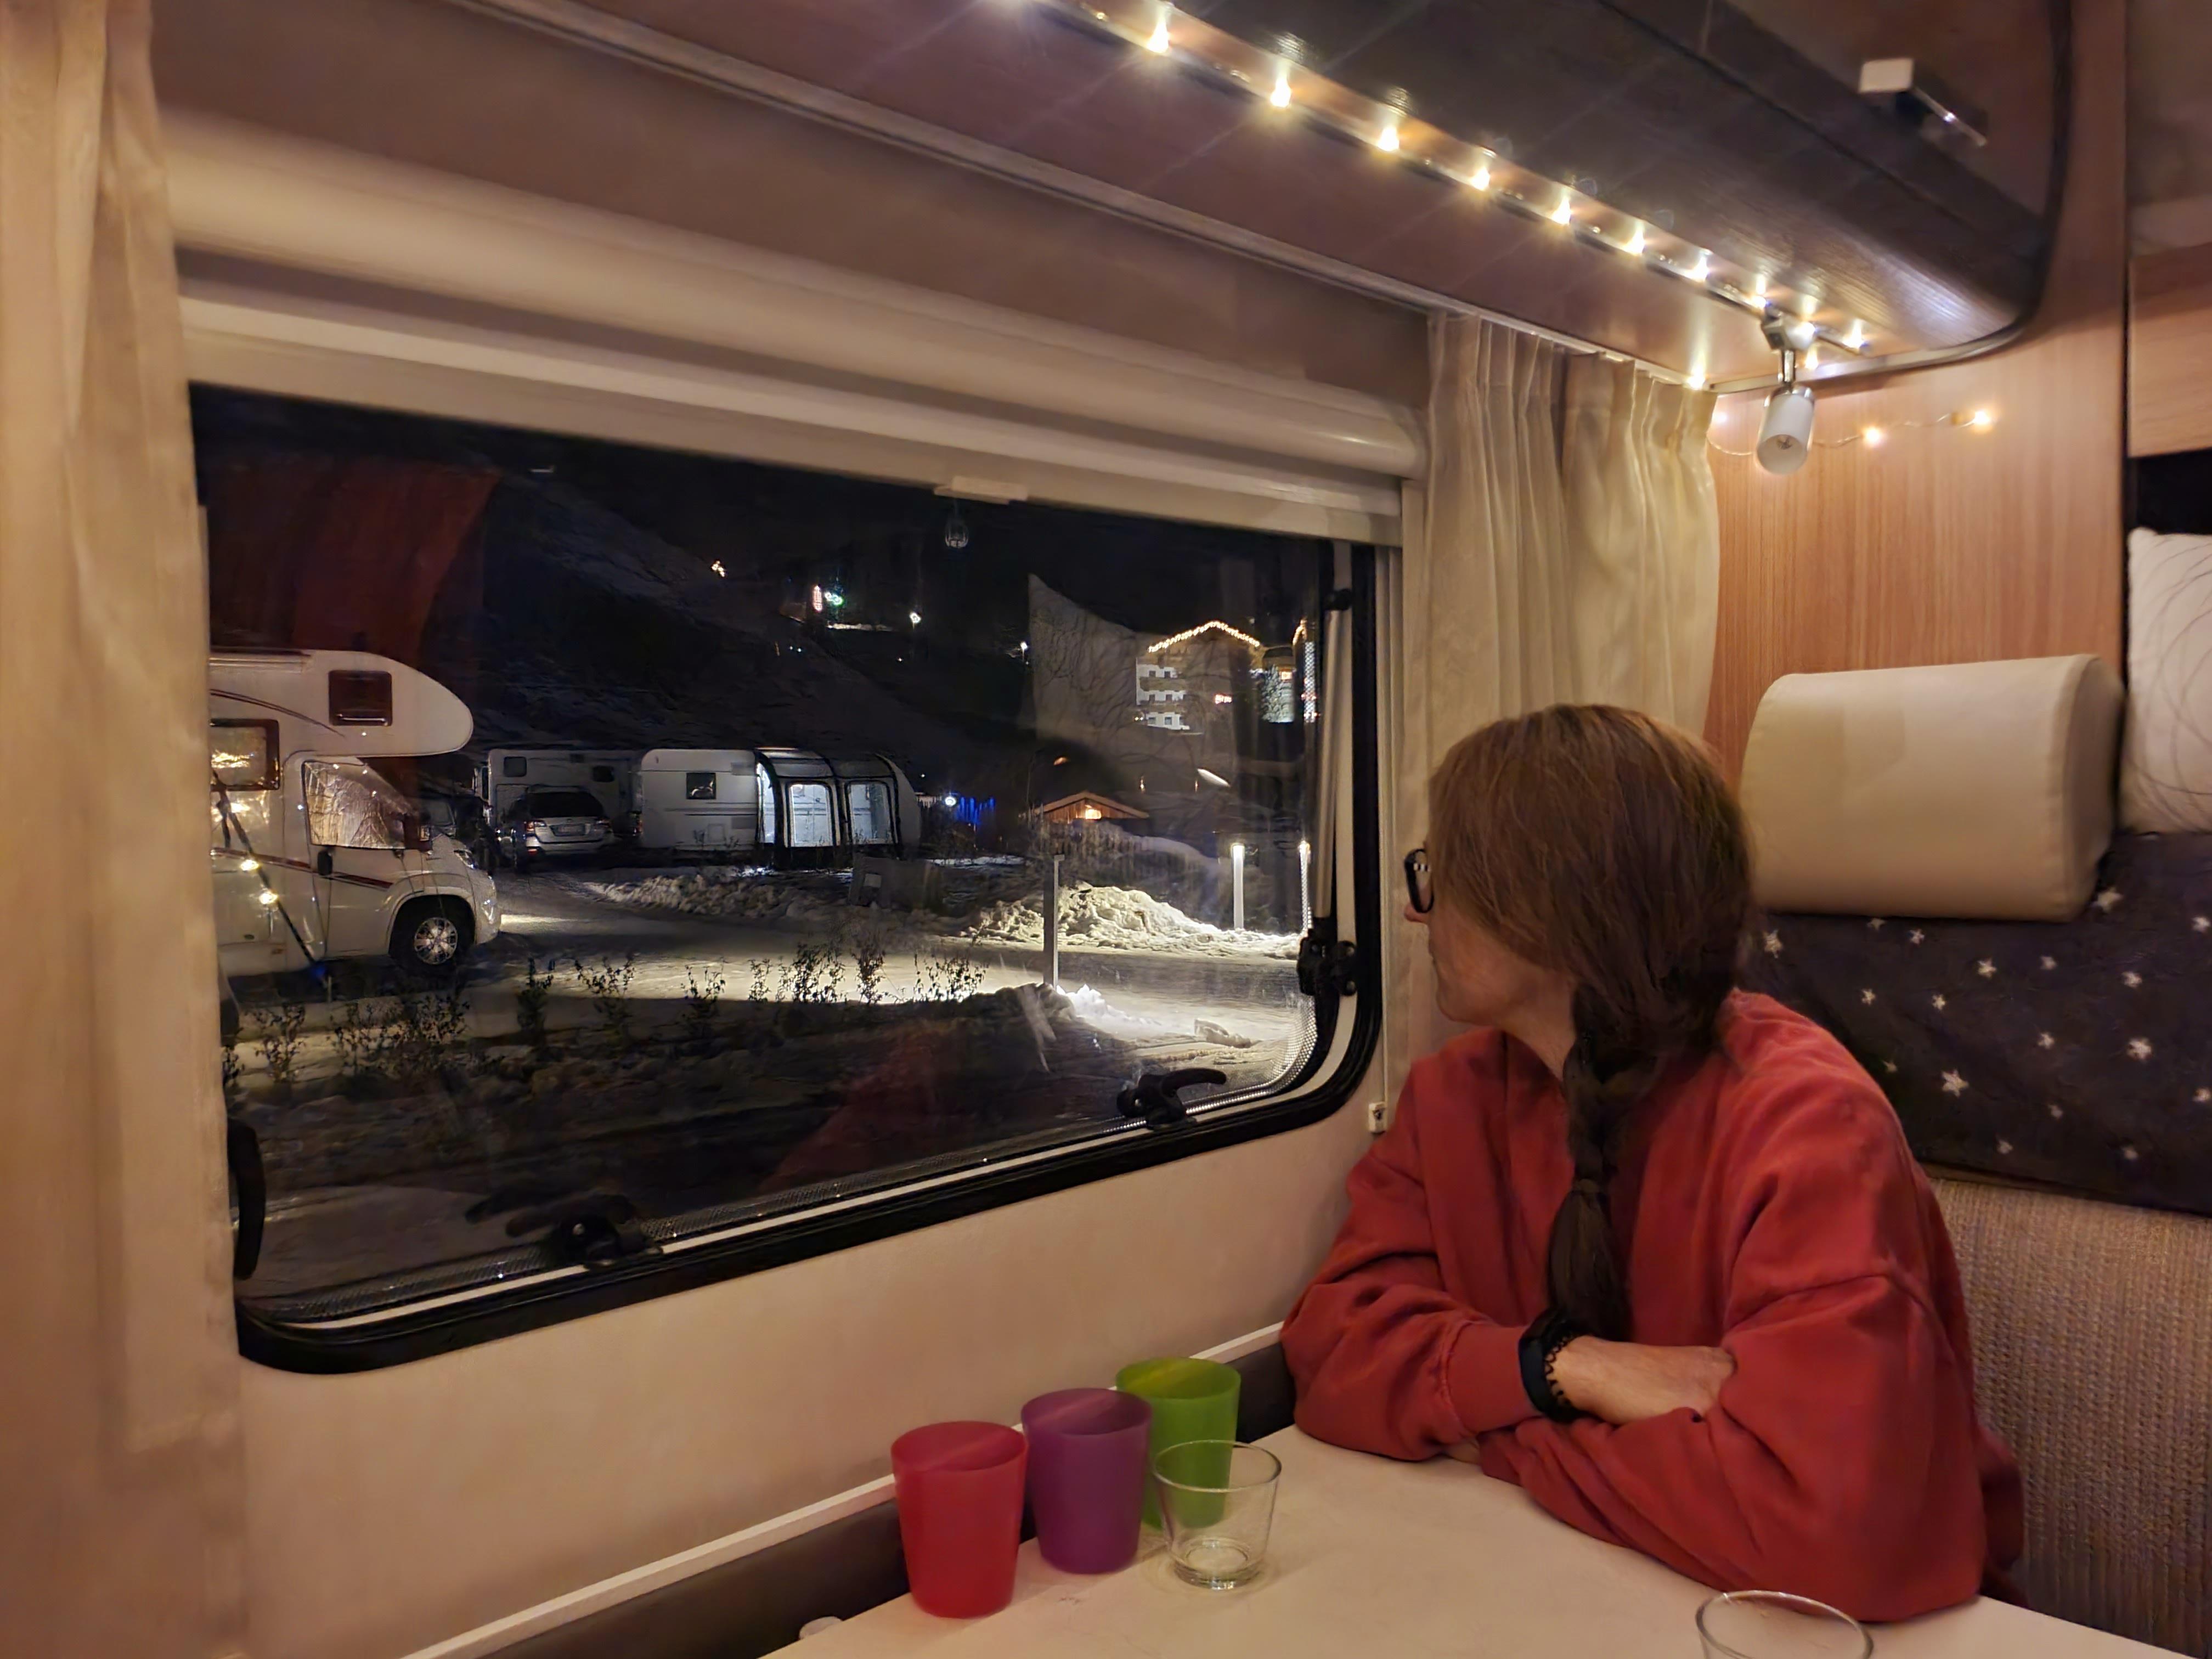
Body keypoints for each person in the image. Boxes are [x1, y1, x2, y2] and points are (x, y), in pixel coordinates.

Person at [1281, 706, 2021, 1622]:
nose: (1413, 908)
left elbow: (1838, 1537)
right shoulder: (1453, 1096)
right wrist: (1572, 1369)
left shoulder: (1807, 1123)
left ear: (1550, 906)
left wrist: (1503, 1434)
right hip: (1566, 1594)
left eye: (1439, 874)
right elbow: (1334, 1355)